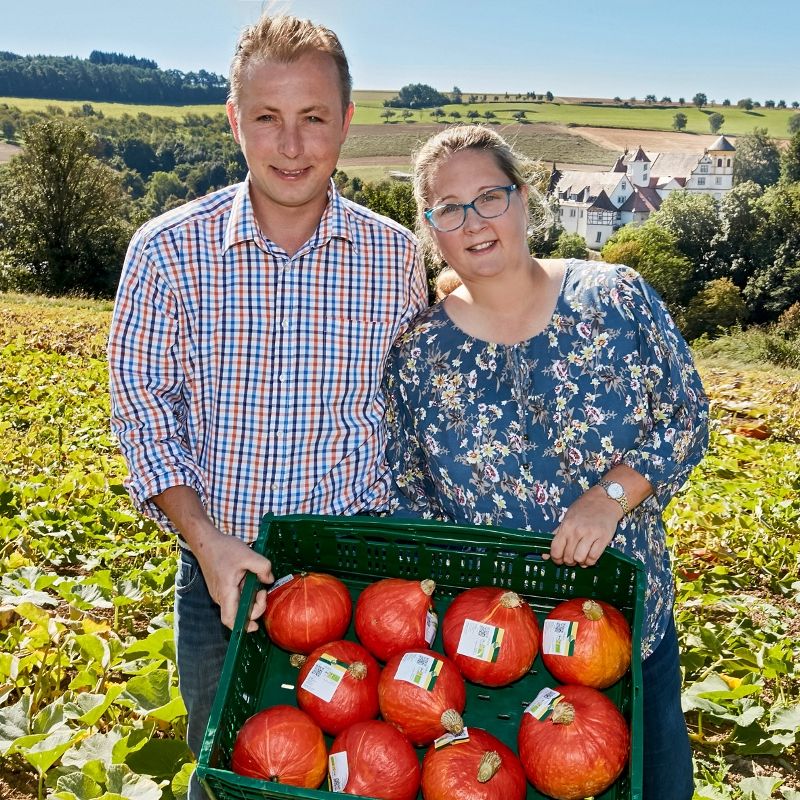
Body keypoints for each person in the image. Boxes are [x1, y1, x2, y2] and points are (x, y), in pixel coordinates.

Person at [107, 13, 427, 799]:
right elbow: (144, 411)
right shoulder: (165, 251)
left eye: (314, 118)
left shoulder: (394, 258)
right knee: (233, 775)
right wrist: (208, 543)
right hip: (223, 581)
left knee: (362, 778)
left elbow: (413, 408)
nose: (292, 146)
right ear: (233, 120)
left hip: (357, 582)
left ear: (347, 121)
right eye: (267, 119)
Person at [384, 125, 708, 800]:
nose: (473, 222)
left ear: (525, 201)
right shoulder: (419, 355)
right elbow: (410, 492)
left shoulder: (615, 299)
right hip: (493, 660)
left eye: (489, 198)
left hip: (624, 636)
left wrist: (610, 495)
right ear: (430, 228)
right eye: (448, 208)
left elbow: (685, 417)